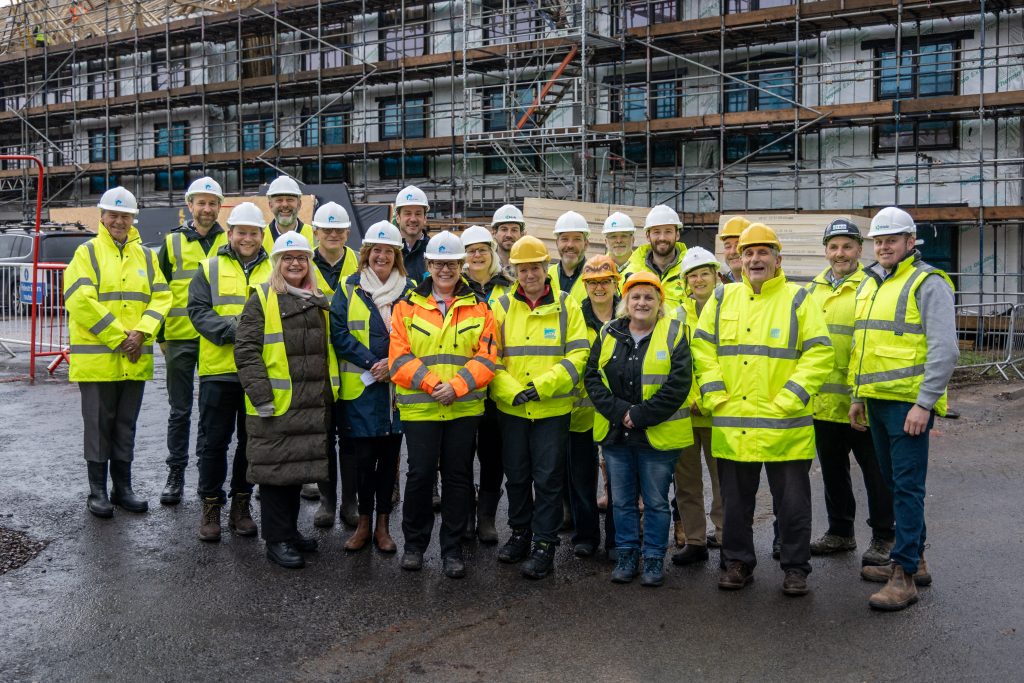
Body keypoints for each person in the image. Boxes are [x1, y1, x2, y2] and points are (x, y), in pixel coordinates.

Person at [691, 223, 833, 597]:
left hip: (784, 424)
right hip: (734, 423)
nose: (755, 259)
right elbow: (702, 350)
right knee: (735, 504)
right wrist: (714, 393)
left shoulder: (798, 299)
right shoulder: (723, 299)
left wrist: (790, 398)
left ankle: (795, 568)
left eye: (763, 252)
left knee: (793, 506)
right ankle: (737, 563)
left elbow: (820, 353)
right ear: (739, 259)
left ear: (777, 259)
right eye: (748, 253)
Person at [849, 207, 958, 611]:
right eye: (878, 241)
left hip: (907, 405)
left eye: (891, 240)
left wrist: (924, 404)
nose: (883, 246)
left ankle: (904, 575)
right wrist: (858, 395)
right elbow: (866, 347)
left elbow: (945, 350)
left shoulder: (927, 283)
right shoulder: (873, 282)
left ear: (911, 243)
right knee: (895, 484)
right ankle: (916, 558)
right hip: (877, 402)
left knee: (908, 487)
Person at [389, 231, 498, 579]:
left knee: (457, 477)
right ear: (428, 265)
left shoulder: (481, 306)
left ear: (460, 265)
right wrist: (435, 384)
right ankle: (414, 546)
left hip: (462, 408)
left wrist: (457, 386)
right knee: (420, 476)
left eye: (451, 263)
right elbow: (398, 356)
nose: (444, 269)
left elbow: (488, 355)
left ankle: (452, 549)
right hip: (421, 407)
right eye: (438, 263)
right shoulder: (406, 306)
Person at [65, 187, 171, 518]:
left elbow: (162, 297)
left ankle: (122, 488)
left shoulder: (147, 256)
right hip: (98, 359)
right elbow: (80, 300)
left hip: (134, 357)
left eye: (125, 216)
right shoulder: (87, 252)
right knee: (98, 424)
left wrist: (141, 333)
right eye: (113, 215)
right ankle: (97, 491)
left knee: (126, 424)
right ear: (102, 217)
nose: (119, 221)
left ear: (132, 219)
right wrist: (118, 336)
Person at [235, 231, 338, 569]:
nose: (295, 263)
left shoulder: (317, 298)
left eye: (301, 258)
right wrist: (261, 396)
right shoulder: (262, 298)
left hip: (308, 403)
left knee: (295, 472)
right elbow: (246, 350)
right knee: (276, 474)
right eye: (288, 258)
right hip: (277, 404)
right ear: (276, 263)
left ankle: (289, 532)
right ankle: (276, 540)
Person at [490, 236, 589, 580]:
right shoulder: (500, 306)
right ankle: (520, 534)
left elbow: (579, 355)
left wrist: (541, 387)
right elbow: (490, 357)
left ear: (545, 268)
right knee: (516, 477)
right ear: (514, 271)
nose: (529, 274)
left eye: (535, 267)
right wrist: (512, 390)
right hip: (513, 409)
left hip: (552, 410)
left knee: (548, 480)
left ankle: (544, 544)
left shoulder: (566, 305)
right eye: (523, 268)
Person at [585, 272, 693, 587]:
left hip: (656, 436)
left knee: (657, 501)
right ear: (626, 302)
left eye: (649, 297)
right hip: (617, 436)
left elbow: (679, 384)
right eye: (636, 297)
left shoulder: (674, 333)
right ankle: (628, 555)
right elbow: (592, 378)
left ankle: (655, 558)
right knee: (622, 500)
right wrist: (622, 413)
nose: (642, 302)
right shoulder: (608, 333)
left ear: (659, 302)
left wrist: (642, 415)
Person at [807, 219, 895, 567]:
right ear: (826, 250)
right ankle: (841, 532)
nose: (839, 253)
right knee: (832, 471)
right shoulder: (813, 289)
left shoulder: (872, 285)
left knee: (876, 473)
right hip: (824, 402)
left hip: (861, 400)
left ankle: (884, 536)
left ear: (860, 249)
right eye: (833, 246)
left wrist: (861, 393)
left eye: (847, 246)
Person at [188, 202, 273, 542]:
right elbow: (198, 312)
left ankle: (241, 505)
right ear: (230, 233)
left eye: (253, 233)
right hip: (218, 371)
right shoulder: (208, 268)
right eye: (241, 232)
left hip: (258, 371)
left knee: (251, 443)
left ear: (261, 235)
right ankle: (210, 505)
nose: (247, 238)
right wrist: (240, 330)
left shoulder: (275, 268)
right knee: (214, 443)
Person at [330, 221, 413, 552]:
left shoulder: (411, 290)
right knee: (363, 463)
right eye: (376, 250)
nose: (381, 256)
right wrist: (372, 363)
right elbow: (339, 334)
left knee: (389, 463)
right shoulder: (349, 289)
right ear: (366, 254)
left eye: (388, 251)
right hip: (361, 394)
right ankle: (363, 523)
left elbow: (419, 335)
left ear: (396, 257)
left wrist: (394, 364)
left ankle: (383, 526)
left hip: (397, 393)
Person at [156, 177, 229, 506]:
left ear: (218, 207)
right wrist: (159, 335)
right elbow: (157, 292)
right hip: (180, 338)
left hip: (217, 339)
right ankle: (175, 473)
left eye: (212, 203)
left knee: (211, 410)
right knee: (180, 410)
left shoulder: (229, 241)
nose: (207, 208)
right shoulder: (171, 244)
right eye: (201, 202)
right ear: (189, 206)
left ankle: (206, 474)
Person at [670, 246, 725, 566]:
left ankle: (725, 536)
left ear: (716, 276)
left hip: (720, 409)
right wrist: (690, 399)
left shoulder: (732, 310)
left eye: (705, 273)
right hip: (686, 412)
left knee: (724, 483)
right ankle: (694, 540)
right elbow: (676, 364)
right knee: (687, 481)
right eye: (693, 275)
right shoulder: (677, 315)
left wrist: (708, 400)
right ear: (685, 282)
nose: (699, 280)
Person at [309, 200, 361, 529]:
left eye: (338, 229)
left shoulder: (359, 263)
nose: (332, 234)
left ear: (347, 233)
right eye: (326, 229)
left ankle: (351, 501)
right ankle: (327, 501)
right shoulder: (302, 262)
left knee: (352, 438)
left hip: (352, 364)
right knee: (324, 437)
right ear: (314, 231)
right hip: (316, 365)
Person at [461, 225, 513, 542]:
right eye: (471, 250)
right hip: (464, 382)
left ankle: (487, 517)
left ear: (492, 251)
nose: (477, 255)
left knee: (494, 455)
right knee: (461, 453)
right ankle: (466, 512)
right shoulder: (455, 285)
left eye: (483, 249)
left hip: (497, 383)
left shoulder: (509, 286)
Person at [576, 255, 621, 559]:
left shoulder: (628, 317)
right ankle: (586, 536)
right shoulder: (574, 316)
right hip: (580, 410)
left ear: (616, 283)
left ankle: (618, 540)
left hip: (617, 411)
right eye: (592, 283)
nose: (599, 288)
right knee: (581, 477)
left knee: (618, 479)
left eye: (604, 281)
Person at [622, 205, 688, 309]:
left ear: (677, 235)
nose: (662, 238)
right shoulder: (632, 272)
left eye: (668, 231)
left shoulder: (690, 269)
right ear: (648, 236)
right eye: (656, 232)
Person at [262, 176, 315, 250]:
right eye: (279, 200)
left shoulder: (314, 235)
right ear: (270, 205)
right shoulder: (260, 237)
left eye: (290, 199)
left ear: (299, 204)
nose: (285, 205)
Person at [548, 210, 590, 303]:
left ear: (586, 244)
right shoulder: (546, 277)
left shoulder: (596, 277)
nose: (570, 245)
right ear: (557, 243)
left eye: (577, 239)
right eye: (565, 239)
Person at [395, 185, 431, 282]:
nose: (413, 219)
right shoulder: (389, 249)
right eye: (407, 213)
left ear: (425, 218)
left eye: (418, 214)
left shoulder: (433, 250)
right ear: (398, 218)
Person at [490, 204, 526, 273]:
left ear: (522, 234)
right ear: (494, 233)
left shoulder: (530, 261)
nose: (509, 235)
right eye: (504, 229)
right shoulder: (486, 264)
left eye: (514, 230)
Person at [717, 216, 750, 284]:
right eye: (728, 246)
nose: (732, 252)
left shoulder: (761, 287)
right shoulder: (719, 290)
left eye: (738, 245)